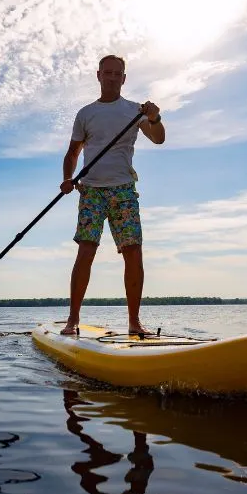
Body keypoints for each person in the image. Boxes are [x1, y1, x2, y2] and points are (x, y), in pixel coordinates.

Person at [58, 55, 165, 337]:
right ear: (98, 75)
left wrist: (155, 117)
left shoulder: (135, 110)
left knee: (133, 253)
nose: (112, 77)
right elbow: (72, 153)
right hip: (91, 191)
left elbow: (159, 138)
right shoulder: (86, 113)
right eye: (107, 72)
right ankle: (72, 320)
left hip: (123, 190)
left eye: (118, 73)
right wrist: (68, 179)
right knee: (86, 252)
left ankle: (134, 322)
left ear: (124, 78)